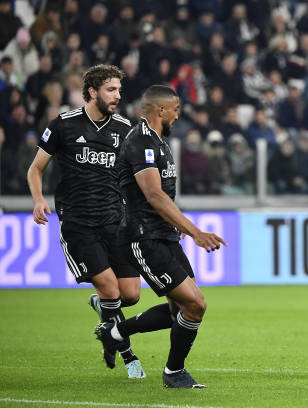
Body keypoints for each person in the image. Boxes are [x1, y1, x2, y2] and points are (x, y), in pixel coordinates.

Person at [94, 85, 227, 389]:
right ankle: (173, 372)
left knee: (179, 310)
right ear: (161, 110)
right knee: (195, 305)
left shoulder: (157, 140)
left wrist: (176, 223)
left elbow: (162, 194)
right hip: (143, 238)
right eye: (176, 110)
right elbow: (154, 195)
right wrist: (196, 232)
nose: (178, 116)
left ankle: (114, 332)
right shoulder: (140, 141)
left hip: (163, 234)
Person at [27, 64, 145, 378]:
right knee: (111, 289)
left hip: (115, 223)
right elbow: (35, 168)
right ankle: (129, 357)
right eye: (111, 89)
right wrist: (39, 200)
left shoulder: (124, 129)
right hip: (79, 224)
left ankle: (102, 307)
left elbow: (136, 177)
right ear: (92, 91)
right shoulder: (64, 125)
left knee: (131, 294)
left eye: (119, 90)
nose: (117, 96)